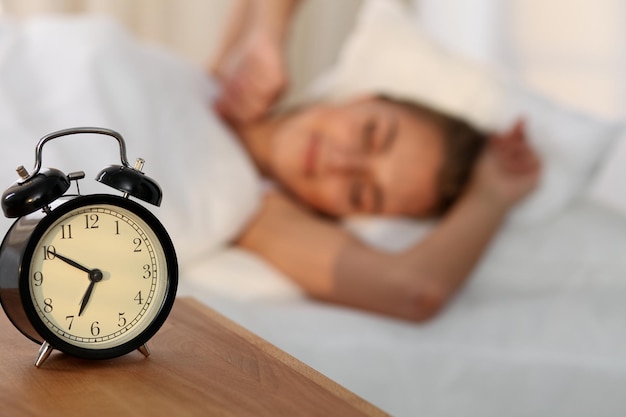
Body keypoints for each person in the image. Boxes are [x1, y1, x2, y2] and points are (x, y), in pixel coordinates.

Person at [209, 0, 542, 321]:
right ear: (362, 99)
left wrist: (492, 195)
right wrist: (269, 34)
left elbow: (414, 291)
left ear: (339, 215)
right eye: (371, 134)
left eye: (361, 193)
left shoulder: (254, 209)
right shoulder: (221, 77)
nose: (340, 163)